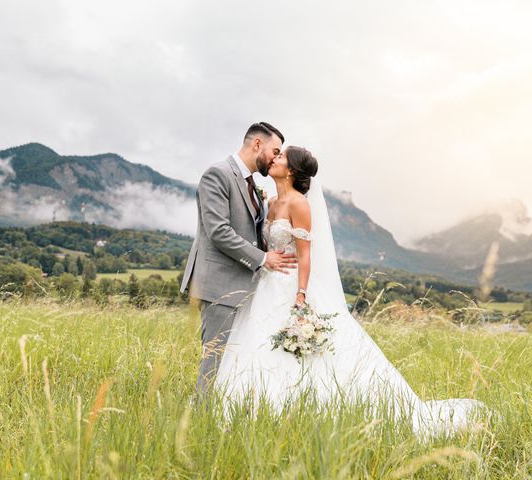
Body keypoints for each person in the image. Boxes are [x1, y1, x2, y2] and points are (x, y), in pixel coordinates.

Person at [214, 146, 487, 441]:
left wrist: (302, 294)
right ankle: (253, 410)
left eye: (280, 157)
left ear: (291, 169)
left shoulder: (298, 204)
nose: (274, 159)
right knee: (260, 344)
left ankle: (305, 410)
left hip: (291, 285)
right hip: (267, 285)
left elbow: (306, 256)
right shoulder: (273, 202)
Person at [180, 122, 298, 399]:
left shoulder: (251, 184)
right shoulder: (218, 174)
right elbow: (218, 231)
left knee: (234, 361)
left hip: (244, 286)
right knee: (215, 360)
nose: (275, 158)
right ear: (257, 144)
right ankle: (201, 420)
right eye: (275, 151)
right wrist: (262, 258)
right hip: (219, 285)